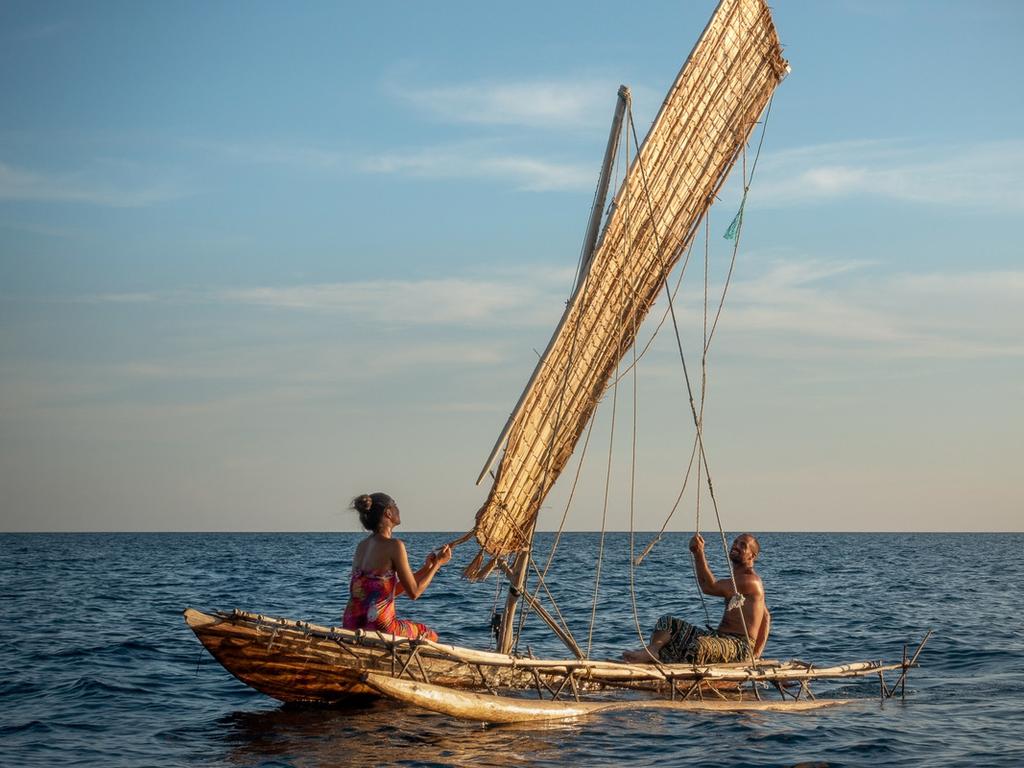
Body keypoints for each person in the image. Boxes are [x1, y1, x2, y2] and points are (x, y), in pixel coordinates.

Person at [623, 533, 771, 664]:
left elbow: (709, 587)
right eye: (735, 542)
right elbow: (765, 616)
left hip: (739, 645)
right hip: (719, 636)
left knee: (700, 646)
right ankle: (653, 651)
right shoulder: (739, 580)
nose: (736, 545)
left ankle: (674, 666)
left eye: (742, 545)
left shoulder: (751, 581)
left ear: (752, 556)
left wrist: (698, 553)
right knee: (666, 623)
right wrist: (758, 653)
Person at [341, 492, 452, 641]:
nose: (398, 509)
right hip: (380, 625)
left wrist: (426, 568)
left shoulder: (362, 546)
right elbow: (414, 593)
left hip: (351, 623)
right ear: (388, 512)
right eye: (395, 505)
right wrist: (438, 564)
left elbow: (386, 590)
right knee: (428, 634)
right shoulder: (395, 546)